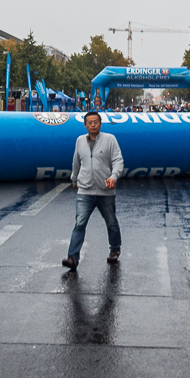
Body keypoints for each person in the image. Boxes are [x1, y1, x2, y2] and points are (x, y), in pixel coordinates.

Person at [62, 111, 125, 270]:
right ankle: (72, 258)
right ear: (85, 125)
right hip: (85, 191)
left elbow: (118, 160)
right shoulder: (79, 141)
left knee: (111, 222)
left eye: (95, 122)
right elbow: (76, 161)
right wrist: (74, 179)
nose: (93, 125)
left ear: (100, 123)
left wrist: (113, 177)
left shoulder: (110, 140)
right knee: (80, 223)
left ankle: (115, 249)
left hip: (105, 190)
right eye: (89, 122)